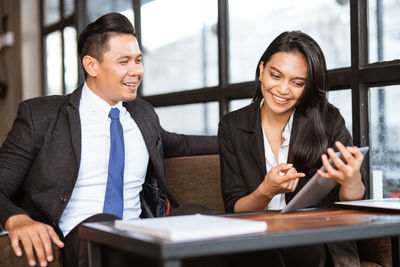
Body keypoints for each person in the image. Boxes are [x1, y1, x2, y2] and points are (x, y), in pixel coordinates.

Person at [0, 12, 217, 267]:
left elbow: (182, 145)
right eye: (124, 61)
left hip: (141, 233)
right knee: (102, 226)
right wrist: (17, 219)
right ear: (91, 65)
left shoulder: (142, 114)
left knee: (200, 217)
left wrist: (247, 134)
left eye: (138, 60)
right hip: (78, 237)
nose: (136, 71)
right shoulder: (41, 117)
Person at [218, 31, 365, 266]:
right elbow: (234, 206)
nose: (283, 90)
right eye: (275, 76)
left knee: (302, 245)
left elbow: (351, 202)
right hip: (257, 240)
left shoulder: (327, 119)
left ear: (307, 86)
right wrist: (265, 190)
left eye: (297, 83)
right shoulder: (232, 126)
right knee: (259, 251)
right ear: (261, 70)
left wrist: (351, 180)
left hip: (315, 240)